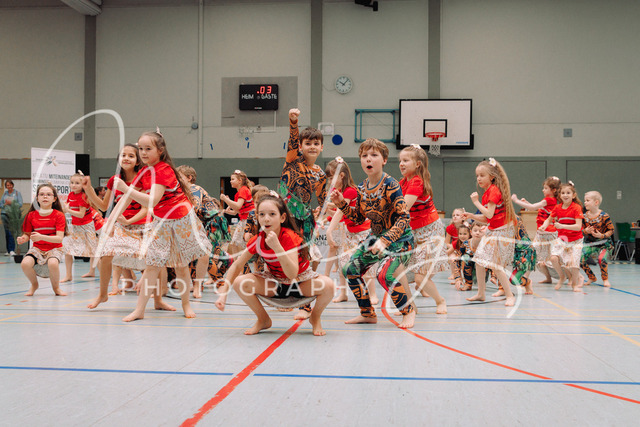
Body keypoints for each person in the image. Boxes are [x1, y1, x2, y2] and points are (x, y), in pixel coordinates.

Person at [113, 130, 212, 321]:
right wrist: (111, 220)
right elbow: (126, 200)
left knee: (181, 265)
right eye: (141, 148)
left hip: (181, 220)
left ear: (160, 150)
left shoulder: (163, 170)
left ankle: (186, 304)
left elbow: (152, 200)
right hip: (161, 222)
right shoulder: (144, 171)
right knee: (152, 265)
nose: (143, 152)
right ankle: (139, 310)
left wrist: (125, 189)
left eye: (148, 149)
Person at [215, 192, 334, 336]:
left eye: (272, 214)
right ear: (257, 217)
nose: (266, 219)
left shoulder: (289, 237)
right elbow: (236, 265)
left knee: (329, 286)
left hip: (300, 283)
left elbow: (292, 274)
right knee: (240, 282)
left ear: (282, 218)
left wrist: (277, 247)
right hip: (275, 285)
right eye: (262, 214)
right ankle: (263, 319)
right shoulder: (258, 240)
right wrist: (223, 294)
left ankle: (315, 318)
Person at [330, 138, 416, 329]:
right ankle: (367, 313)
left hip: (401, 240)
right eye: (364, 155)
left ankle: (408, 311)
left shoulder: (391, 184)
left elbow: (404, 217)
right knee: (350, 270)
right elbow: (358, 218)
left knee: (384, 274)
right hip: (375, 238)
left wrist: (385, 240)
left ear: (384, 160)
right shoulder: (361, 188)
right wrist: (341, 204)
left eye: (374, 155)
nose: (368, 159)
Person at [82, 143, 150, 308]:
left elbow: (146, 208)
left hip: (142, 226)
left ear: (137, 161)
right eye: (123, 155)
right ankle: (102, 295)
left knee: (152, 260)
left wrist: (129, 221)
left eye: (131, 156)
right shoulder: (115, 179)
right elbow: (104, 206)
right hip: (121, 226)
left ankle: (157, 296)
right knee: (105, 256)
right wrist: (88, 189)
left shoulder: (144, 177)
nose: (126, 158)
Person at [278, 108, 327, 320]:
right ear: (301, 146)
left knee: (303, 258)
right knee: (283, 258)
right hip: (285, 216)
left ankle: (305, 304)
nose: (312, 146)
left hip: (305, 220)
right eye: (308, 143)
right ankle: (284, 297)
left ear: (322, 147)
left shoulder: (320, 174)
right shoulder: (293, 160)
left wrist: (322, 215)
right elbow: (292, 141)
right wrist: (293, 123)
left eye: (316, 143)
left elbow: (323, 199)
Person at [398, 144, 447, 314]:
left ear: (417, 164)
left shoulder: (416, 182)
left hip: (430, 232)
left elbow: (402, 208)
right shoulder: (403, 182)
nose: (401, 164)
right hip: (414, 233)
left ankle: (440, 301)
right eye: (400, 160)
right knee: (400, 272)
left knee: (420, 277)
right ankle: (410, 305)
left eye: (406, 160)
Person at [463, 157, 517, 306]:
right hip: (494, 230)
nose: (479, 179)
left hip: (502, 231)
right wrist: (472, 215)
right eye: (477, 176)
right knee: (479, 261)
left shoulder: (493, 190)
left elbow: (489, 214)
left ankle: (510, 295)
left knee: (496, 266)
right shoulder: (487, 192)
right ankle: (481, 294)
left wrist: (475, 202)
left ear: (492, 177)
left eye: (482, 175)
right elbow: (488, 218)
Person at [324, 158, 377, 304]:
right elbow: (340, 213)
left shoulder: (350, 190)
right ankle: (343, 293)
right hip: (350, 232)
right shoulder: (339, 191)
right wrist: (327, 210)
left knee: (365, 264)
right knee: (343, 264)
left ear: (341, 175)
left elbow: (341, 212)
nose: (330, 182)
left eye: (331, 178)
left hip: (362, 232)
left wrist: (329, 231)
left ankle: (373, 294)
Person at [18, 184, 68, 296]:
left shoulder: (59, 215)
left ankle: (56, 288)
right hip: (37, 248)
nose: (45, 196)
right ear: (37, 198)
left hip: (55, 248)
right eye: (42, 194)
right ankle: (34, 285)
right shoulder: (31, 215)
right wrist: (23, 238)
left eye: (48, 194)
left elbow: (59, 238)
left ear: (54, 199)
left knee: (53, 263)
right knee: (25, 264)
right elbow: (27, 234)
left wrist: (41, 237)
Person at [511, 176, 561, 283]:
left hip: (549, 233)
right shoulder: (548, 201)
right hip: (542, 233)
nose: (543, 190)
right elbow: (536, 208)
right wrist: (527, 203)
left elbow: (533, 207)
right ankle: (529, 277)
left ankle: (569, 276)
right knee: (533, 254)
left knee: (551, 257)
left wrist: (516, 201)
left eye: (546, 188)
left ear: (553, 190)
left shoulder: (549, 200)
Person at [539, 181, 584, 292]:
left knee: (574, 264)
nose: (565, 195)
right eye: (563, 193)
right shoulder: (557, 207)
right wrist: (544, 226)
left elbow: (578, 227)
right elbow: (549, 219)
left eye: (568, 193)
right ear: (559, 195)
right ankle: (562, 277)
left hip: (576, 240)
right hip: (562, 239)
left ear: (573, 195)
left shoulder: (576, 208)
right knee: (553, 258)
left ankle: (574, 284)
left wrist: (562, 226)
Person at [60, 173, 99, 282]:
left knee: (94, 252)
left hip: (87, 227)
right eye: (72, 183)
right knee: (68, 251)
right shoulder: (70, 195)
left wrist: (68, 210)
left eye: (77, 183)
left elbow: (81, 214)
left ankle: (95, 272)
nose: (74, 185)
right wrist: (63, 209)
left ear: (82, 185)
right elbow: (66, 209)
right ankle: (68, 275)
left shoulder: (83, 196)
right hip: (76, 227)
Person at [580, 191, 613, 287]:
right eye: (585, 200)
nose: (585, 202)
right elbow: (581, 230)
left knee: (602, 259)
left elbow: (611, 230)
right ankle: (591, 277)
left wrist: (601, 235)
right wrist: (586, 231)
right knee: (580, 259)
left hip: (604, 243)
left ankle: (605, 279)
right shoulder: (584, 216)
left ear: (596, 202)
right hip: (591, 243)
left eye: (587, 200)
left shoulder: (604, 216)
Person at [220, 169, 255, 256]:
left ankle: (241, 262)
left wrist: (225, 199)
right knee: (235, 243)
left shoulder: (243, 190)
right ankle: (238, 262)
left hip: (248, 221)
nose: (230, 181)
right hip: (243, 220)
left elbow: (238, 206)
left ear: (239, 181)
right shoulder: (238, 193)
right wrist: (227, 211)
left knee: (239, 243)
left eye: (233, 179)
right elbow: (237, 212)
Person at [1, 179, 23, 256]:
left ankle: (12, 249)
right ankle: (8, 250)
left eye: (10, 185)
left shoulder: (17, 193)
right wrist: (4, 204)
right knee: (7, 232)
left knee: (12, 232)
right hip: (4, 214)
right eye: (7, 185)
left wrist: (11, 203)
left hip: (13, 215)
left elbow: (20, 204)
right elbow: (1, 204)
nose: (9, 186)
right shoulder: (5, 193)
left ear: (12, 185)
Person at [445, 208, 466, 283]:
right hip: (454, 248)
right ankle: (454, 273)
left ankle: (465, 274)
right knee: (452, 258)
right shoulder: (450, 227)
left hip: (465, 248)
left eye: (457, 215)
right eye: (453, 215)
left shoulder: (466, 227)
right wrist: (453, 248)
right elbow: (446, 242)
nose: (455, 216)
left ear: (463, 217)